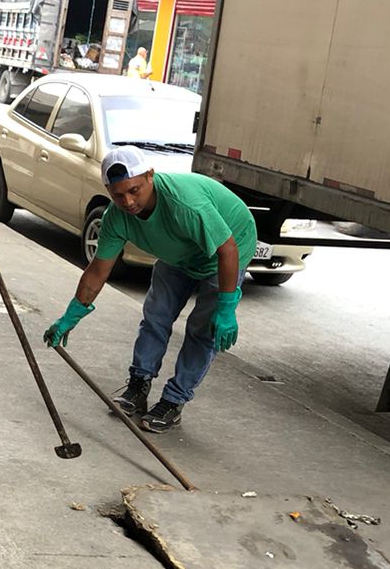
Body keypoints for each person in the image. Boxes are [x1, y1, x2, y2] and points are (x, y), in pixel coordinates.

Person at [41, 145, 256, 433]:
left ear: (150, 176)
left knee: (202, 330)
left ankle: (174, 401)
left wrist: (227, 307)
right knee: (156, 315)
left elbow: (227, 249)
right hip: (179, 253)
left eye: (134, 190)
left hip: (228, 249)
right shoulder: (116, 218)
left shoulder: (185, 204)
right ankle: (138, 385)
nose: (128, 201)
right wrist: (70, 316)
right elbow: (97, 271)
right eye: (118, 195)